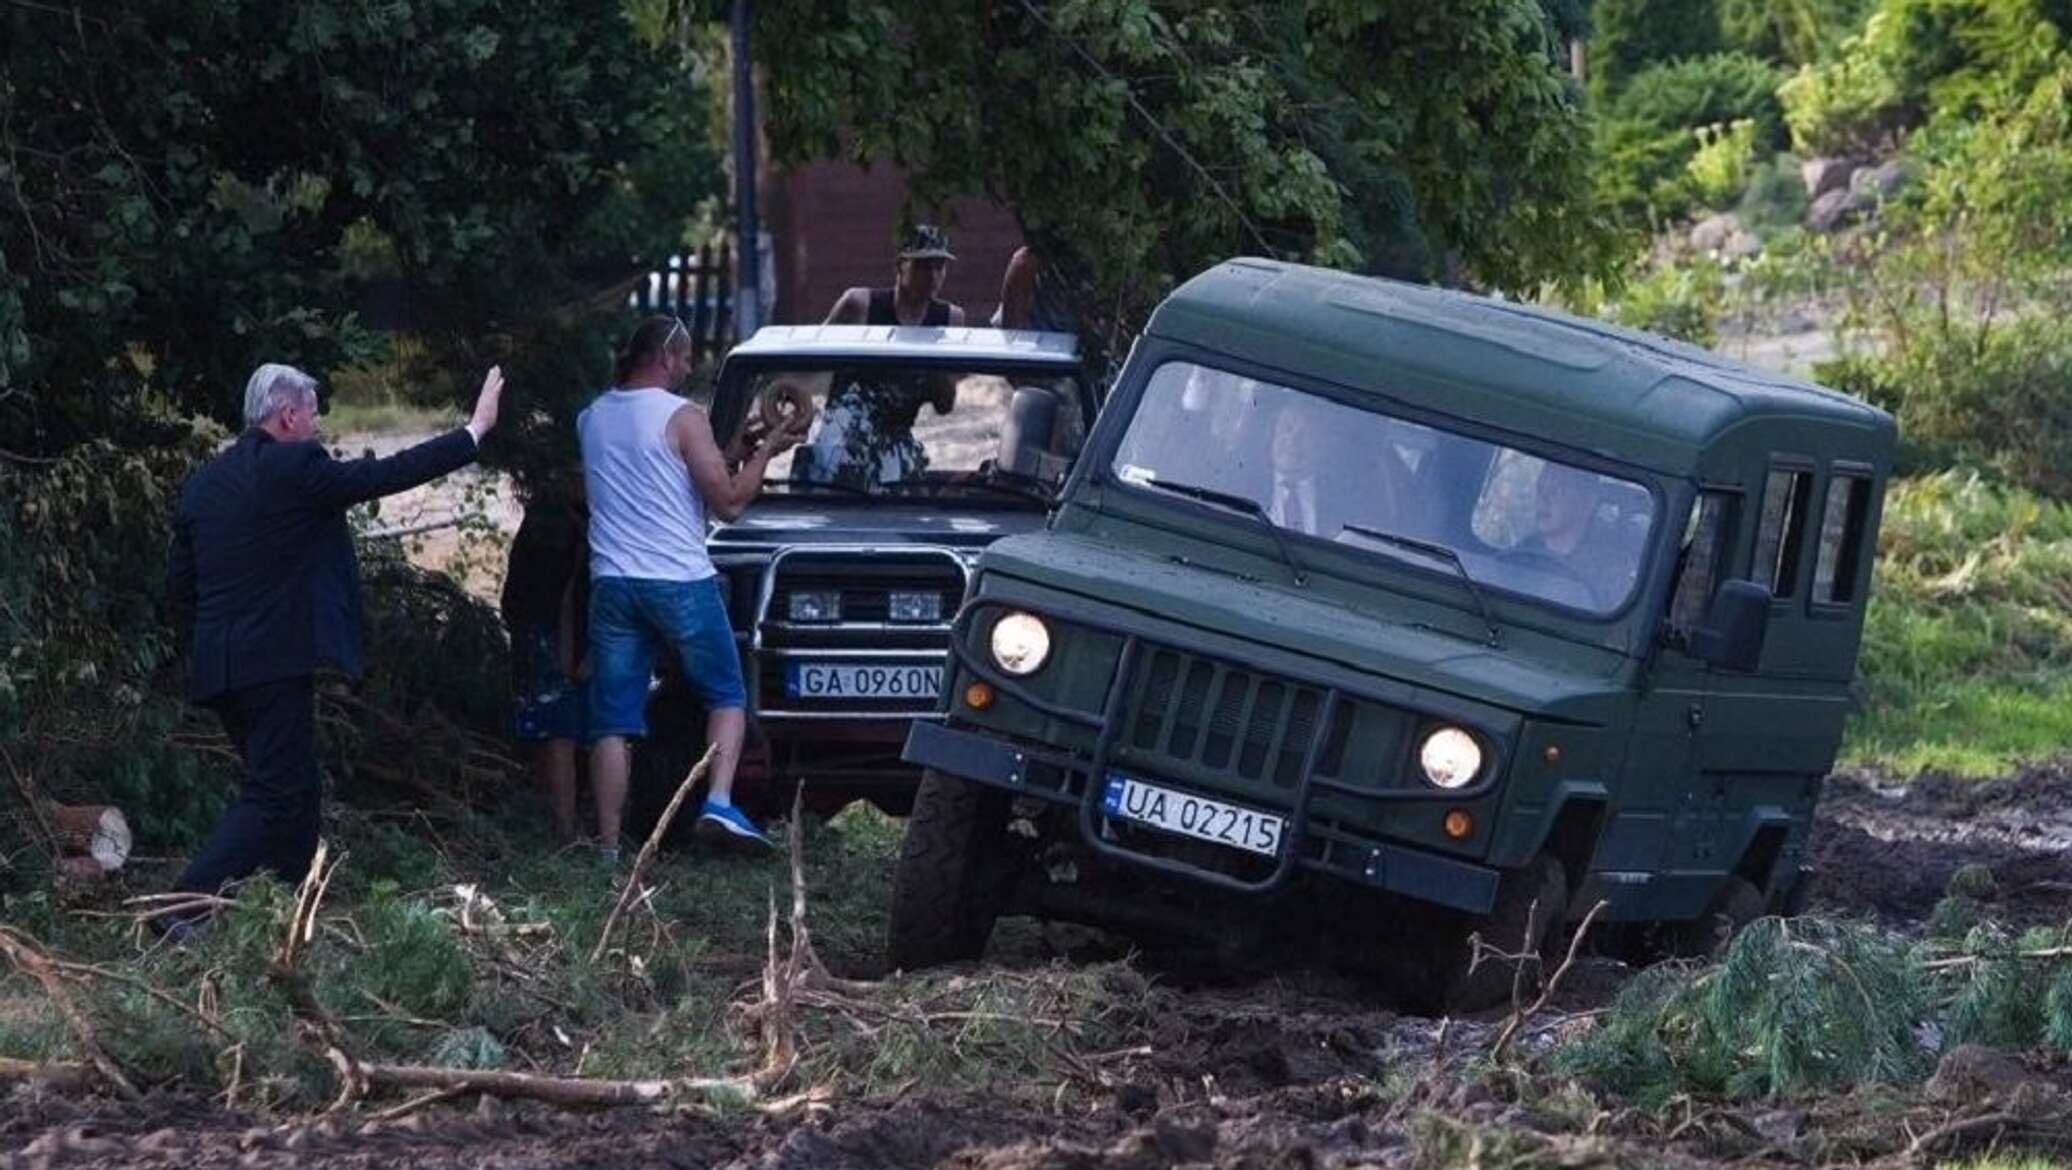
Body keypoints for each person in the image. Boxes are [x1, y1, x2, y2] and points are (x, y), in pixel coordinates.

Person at [163, 361, 504, 915]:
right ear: (290, 415)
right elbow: (382, 476)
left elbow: (179, 586)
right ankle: (182, 904)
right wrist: (473, 431)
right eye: (315, 416)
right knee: (273, 794)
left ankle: (288, 902)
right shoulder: (294, 465)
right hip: (270, 663)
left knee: (295, 791)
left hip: (220, 667)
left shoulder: (206, 483)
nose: (318, 429)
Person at [578, 316, 807, 858]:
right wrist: (769, 448)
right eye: (682, 360)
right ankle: (720, 802)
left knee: (612, 721)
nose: (686, 369)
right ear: (663, 357)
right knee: (727, 694)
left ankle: (609, 848)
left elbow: (668, 474)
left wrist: (737, 444)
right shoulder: (682, 416)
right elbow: (726, 500)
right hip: (679, 582)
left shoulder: (591, 417)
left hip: (613, 584)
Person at [499, 467, 589, 844]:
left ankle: (557, 823)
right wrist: (574, 654)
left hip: (533, 631)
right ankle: (565, 829)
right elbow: (565, 597)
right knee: (560, 734)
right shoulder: (564, 523)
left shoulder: (550, 516)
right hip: (547, 634)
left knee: (548, 731)